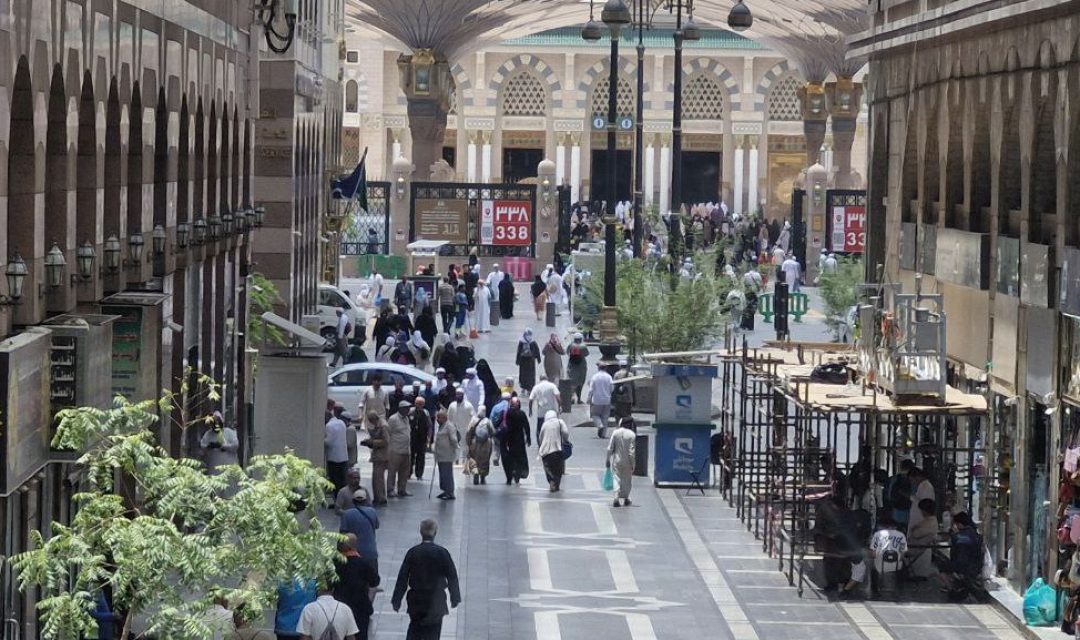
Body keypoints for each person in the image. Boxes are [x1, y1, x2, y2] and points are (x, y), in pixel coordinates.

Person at [391, 519, 461, 640]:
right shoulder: (442, 552)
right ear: (435, 532)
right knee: (434, 632)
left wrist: (396, 600)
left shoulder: (413, 552)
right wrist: (455, 597)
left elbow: (403, 577)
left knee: (415, 629)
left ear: (421, 532)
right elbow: (452, 576)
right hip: (437, 599)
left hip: (416, 599)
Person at [334, 534, 380, 640]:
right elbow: (375, 581)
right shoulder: (363, 563)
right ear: (355, 546)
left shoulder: (335, 563)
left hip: (339, 608)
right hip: (360, 609)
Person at [938, 512, 984, 596]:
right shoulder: (977, 535)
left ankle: (951, 588)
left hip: (962, 566)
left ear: (958, 524)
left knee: (942, 565)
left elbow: (955, 554)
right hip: (976, 566)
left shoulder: (958, 536)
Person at [869, 517, 908, 595]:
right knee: (904, 566)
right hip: (896, 565)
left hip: (880, 565)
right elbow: (903, 552)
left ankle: (875, 589)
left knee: (872, 568)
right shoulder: (901, 535)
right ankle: (900, 587)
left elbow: (873, 553)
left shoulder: (877, 534)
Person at [606, 417, 637, 507]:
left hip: (616, 460)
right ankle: (626, 498)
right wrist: (633, 464)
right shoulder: (632, 434)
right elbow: (631, 452)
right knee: (627, 480)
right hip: (627, 461)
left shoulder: (615, 433)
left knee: (616, 478)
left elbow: (610, 448)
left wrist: (607, 459)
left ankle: (616, 497)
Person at [339, 494, 380, 562]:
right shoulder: (372, 511)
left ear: (353, 501)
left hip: (353, 554)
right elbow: (377, 526)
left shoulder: (346, 514)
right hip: (371, 553)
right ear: (366, 501)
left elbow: (341, 535)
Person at [501, 397, 531, 485]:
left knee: (511, 456)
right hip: (519, 439)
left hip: (511, 439)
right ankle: (518, 474)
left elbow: (505, 425)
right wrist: (528, 438)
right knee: (520, 457)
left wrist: (504, 439)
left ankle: (511, 474)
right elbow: (527, 426)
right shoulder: (522, 413)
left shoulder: (508, 413)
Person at [538, 410, 570, 492]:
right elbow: (566, 432)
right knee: (558, 468)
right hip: (558, 448)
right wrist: (564, 440)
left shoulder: (544, 425)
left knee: (548, 467)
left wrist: (542, 445)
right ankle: (557, 483)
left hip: (546, 451)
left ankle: (551, 481)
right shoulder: (560, 422)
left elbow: (540, 437)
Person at [906, 498, 939, 579]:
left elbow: (915, 534)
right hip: (913, 545)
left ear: (924, 510)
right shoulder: (929, 521)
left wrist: (913, 529)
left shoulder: (930, 523)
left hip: (913, 547)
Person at [387, 401, 414, 498]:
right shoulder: (393, 419)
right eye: (406, 408)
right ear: (400, 409)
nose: (408, 410)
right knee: (392, 471)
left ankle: (402, 489)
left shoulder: (407, 418)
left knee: (404, 471)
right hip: (395, 450)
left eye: (408, 408)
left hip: (406, 450)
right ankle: (390, 489)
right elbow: (388, 433)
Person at [362, 412, 390, 506]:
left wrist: (372, 442)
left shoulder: (383, 426)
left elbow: (386, 441)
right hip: (378, 455)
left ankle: (381, 498)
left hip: (382, 455)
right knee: (376, 478)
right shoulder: (378, 425)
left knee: (378, 478)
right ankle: (378, 497)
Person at [433, 411, 459, 500]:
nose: (437, 419)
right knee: (442, 474)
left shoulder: (449, 426)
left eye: (439, 417)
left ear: (444, 418)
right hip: (440, 455)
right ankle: (445, 490)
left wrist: (456, 449)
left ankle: (450, 492)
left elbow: (453, 439)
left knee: (447, 474)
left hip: (447, 455)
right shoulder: (441, 426)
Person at [325, 405, 350, 495]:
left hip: (333, 457)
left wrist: (321, 440)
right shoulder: (341, 423)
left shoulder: (329, 426)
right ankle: (344, 498)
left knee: (335, 480)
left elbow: (329, 442)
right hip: (343, 456)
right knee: (343, 480)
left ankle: (337, 500)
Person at [466, 406, 494, 485]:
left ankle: (475, 472)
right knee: (484, 460)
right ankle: (482, 477)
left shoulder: (473, 420)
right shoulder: (487, 421)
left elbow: (468, 432)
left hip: (475, 443)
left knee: (474, 459)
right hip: (486, 444)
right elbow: (493, 431)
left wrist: (468, 443)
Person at [529, 374, 561, 443]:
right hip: (551, 412)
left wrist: (530, 410)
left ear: (540, 379)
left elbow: (531, 399)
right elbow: (558, 397)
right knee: (554, 427)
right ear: (547, 379)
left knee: (539, 429)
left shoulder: (536, 387)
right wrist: (560, 406)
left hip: (541, 413)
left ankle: (540, 443)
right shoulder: (552, 385)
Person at [906, 466, 935, 537]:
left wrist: (909, 496)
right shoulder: (921, 486)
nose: (912, 482)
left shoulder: (927, 487)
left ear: (917, 477)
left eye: (912, 480)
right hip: (917, 518)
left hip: (920, 519)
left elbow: (924, 503)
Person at [448, 388, 475, 462]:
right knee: (455, 445)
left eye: (460, 394)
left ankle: (465, 461)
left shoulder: (468, 405)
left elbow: (473, 417)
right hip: (455, 429)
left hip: (466, 429)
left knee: (466, 446)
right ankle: (456, 460)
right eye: (457, 394)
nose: (458, 396)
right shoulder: (452, 405)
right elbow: (449, 418)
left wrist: (471, 428)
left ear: (463, 395)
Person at [886, 459, 915, 530]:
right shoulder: (914, 480)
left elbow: (889, 496)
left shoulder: (894, 479)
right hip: (910, 512)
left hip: (896, 511)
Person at [409, 397, 432, 481]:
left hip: (421, 438)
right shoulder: (410, 411)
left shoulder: (426, 413)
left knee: (421, 457)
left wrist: (429, 438)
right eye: (418, 403)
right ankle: (408, 473)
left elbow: (429, 426)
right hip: (412, 438)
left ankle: (419, 474)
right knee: (410, 456)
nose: (419, 405)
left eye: (421, 404)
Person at [589, 365, 614, 439]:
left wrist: (589, 398)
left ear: (598, 368)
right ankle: (603, 434)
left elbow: (591, 389)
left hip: (597, 400)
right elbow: (612, 388)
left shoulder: (595, 377)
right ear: (605, 368)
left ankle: (600, 425)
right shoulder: (609, 376)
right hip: (607, 399)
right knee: (605, 417)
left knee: (595, 414)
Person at [566, 334, 590, 403]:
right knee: (580, 383)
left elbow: (567, 352)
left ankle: (571, 398)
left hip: (572, 366)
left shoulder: (571, 345)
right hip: (581, 367)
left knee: (572, 383)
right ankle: (579, 399)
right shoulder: (583, 346)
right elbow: (587, 354)